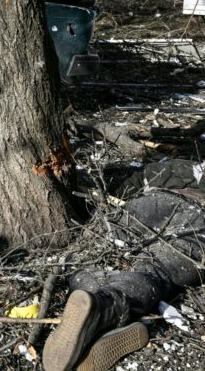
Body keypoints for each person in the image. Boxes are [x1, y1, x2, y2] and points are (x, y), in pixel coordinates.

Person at [43, 159, 205, 371]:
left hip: (156, 200)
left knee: (98, 247)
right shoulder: (181, 167)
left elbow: (133, 184)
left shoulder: (178, 166)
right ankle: (104, 309)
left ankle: (93, 307)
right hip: (192, 220)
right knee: (157, 269)